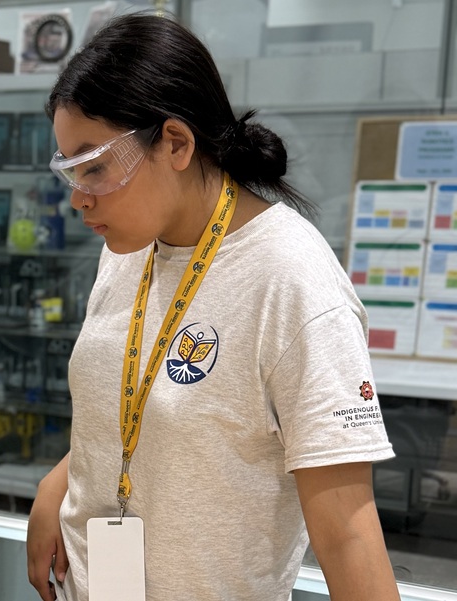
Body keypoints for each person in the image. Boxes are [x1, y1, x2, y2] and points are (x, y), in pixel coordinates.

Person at [25, 13, 400, 601]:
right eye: (70, 169)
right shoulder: (127, 247)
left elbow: (348, 533)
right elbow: (150, 409)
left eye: (94, 167)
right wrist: (63, 479)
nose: (78, 197)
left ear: (175, 142)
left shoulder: (292, 282)